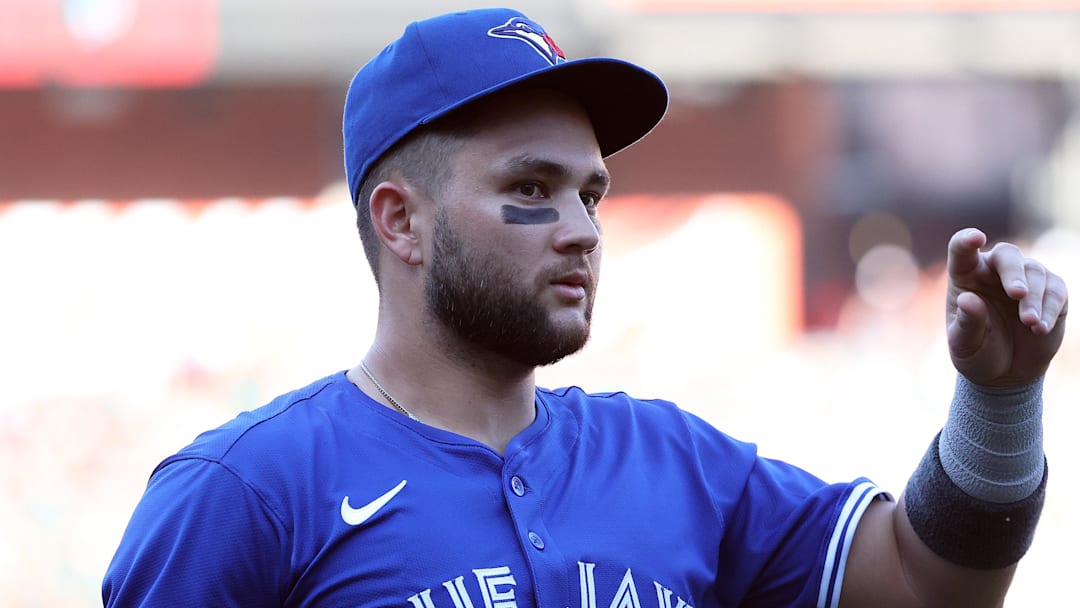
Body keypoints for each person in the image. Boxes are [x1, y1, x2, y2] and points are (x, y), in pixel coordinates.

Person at [102, 8, 1069, 608]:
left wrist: (1000, 397)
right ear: (401, 221)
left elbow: (925, 582)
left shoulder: (675, 463)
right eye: (530, 190)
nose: (579, 229)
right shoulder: (245, 492)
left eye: (589, 194)